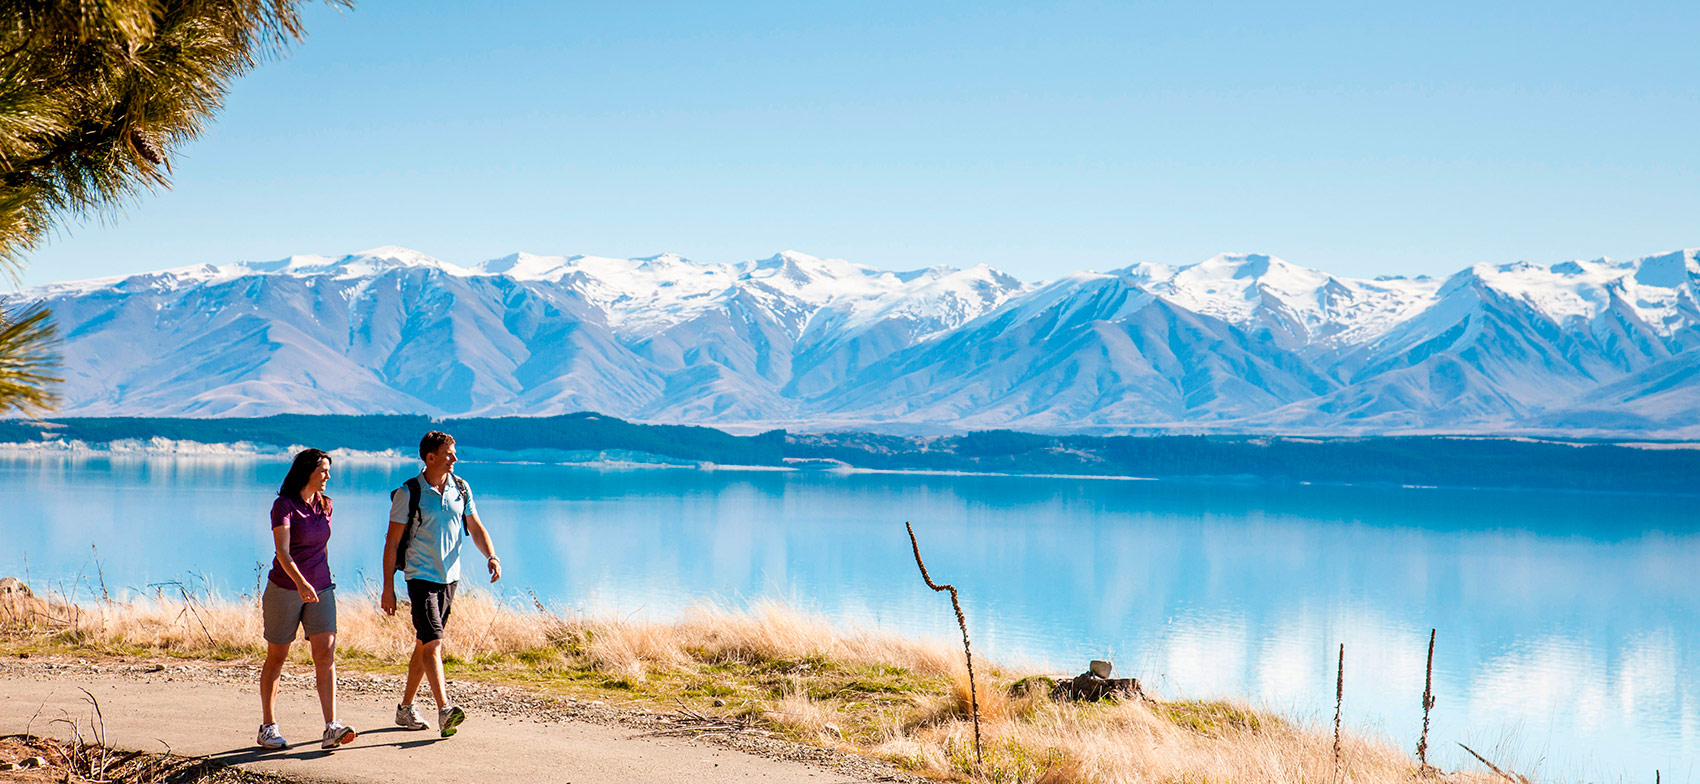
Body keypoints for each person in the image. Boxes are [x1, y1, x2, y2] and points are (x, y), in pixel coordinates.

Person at [381, 430, 501, 738]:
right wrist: (388, 588)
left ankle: (405, 709)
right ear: (430, 457)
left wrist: (491, 555)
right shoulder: (410, 493)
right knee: (434, 641)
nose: (455, 458)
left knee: (424, 643)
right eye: (449, 453)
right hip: (420, 576)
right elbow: (392, 542)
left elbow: (474, 527)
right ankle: (444, 708)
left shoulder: (461, 487)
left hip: (450, 578)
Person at [258, 448, 357, 751]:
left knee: (325, 655)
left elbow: (321, 546)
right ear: (307, 471)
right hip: (285, 589)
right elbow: (283, 553)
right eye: (323, 470)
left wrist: (320, 580)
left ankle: (331, 727)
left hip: (322, 589)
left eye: (328, 470)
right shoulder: (283, 506)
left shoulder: (326, 505)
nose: (328, 476)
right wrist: (301, 583)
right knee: (277, 656)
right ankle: (267, 727)